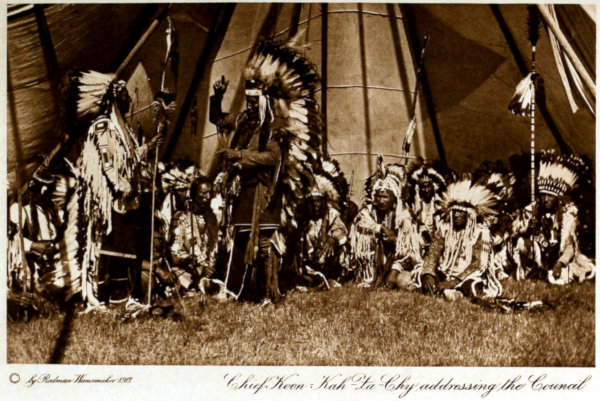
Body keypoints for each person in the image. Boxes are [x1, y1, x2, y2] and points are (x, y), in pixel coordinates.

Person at [209, 36, 323, 303]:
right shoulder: (245, 120)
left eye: (253, 101)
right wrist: (217, 97)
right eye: (246, 100)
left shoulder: (276, 126)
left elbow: (272, 159)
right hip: (244, 192)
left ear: (264, 99)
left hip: (264, 192)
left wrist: (238, 155)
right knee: (238, 241)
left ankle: (268, 293)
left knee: (263, 244)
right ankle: (236, 290)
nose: (249, 105)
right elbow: (218, 118)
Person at [47, 70, 165, 310]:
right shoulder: (102, 127)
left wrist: (150, 146)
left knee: (125, 247)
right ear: (114, 99)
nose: (129, 99)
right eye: (124, 95)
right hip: (110, 200)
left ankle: (122, 295)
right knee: (110, 248)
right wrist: (120, 186)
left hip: (125, 198)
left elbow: (129, 157)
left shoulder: (124, 130)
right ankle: (104, 294)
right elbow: (106, 161)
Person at [513, 150, 595, 284]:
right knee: (522, 242)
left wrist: (560, 264)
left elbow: (570, 247)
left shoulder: (568, 216)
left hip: (557, 258)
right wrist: (528, 230)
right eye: (543, 195)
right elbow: (517, 236)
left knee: (565, 275)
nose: (546, 199)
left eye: (550, 196)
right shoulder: (530, 210)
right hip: (537, 258)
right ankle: (534, 270)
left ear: (558, 197)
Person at [420, 175, 502, 300]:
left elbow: (478, 264)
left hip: (470, 276)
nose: (457, 215)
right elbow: (433, 252)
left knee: (472, 286)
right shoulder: (445, 229)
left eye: (461, 212)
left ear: (470, 215)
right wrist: (428, 273)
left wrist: (455, 281)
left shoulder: (481, 232)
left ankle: (457, 293)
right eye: (454, 211)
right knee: (425, 278)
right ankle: (441, 290)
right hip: (446, 272)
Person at [349, 156, 417, 287]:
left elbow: (408, 249)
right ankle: (369, 275)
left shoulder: (403, 215)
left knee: (399, 281)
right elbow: (360, 221)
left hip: (398, 260)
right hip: (375, 260)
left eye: (385, 197)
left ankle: (393, 275)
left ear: (394, 198)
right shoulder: (369, 210)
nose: (381, 201)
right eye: (378, 196)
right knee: (365, 236)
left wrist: (395, 240)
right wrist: (382, 229)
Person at [168, 177, 219, 292]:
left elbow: (214, 246)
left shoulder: (212, 217)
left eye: (210, 193)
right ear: (194, 195)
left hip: (207, 266)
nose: (208, 197)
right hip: (186, 268)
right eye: (204, 193)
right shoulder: (181, 217)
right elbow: (174, 254)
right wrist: (195, 265)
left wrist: (209, 265)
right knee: (179, 278)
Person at [301, 173, 349, 289]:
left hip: (328, 258)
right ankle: (312, 277)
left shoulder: (331, 214)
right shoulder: (304, 217)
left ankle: (331, 276)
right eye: (312, 202)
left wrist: (333, 239)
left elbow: (340, 229)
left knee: (340, 244)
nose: (315, 205)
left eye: (318, 201)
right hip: (308, 259)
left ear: (325, 200)